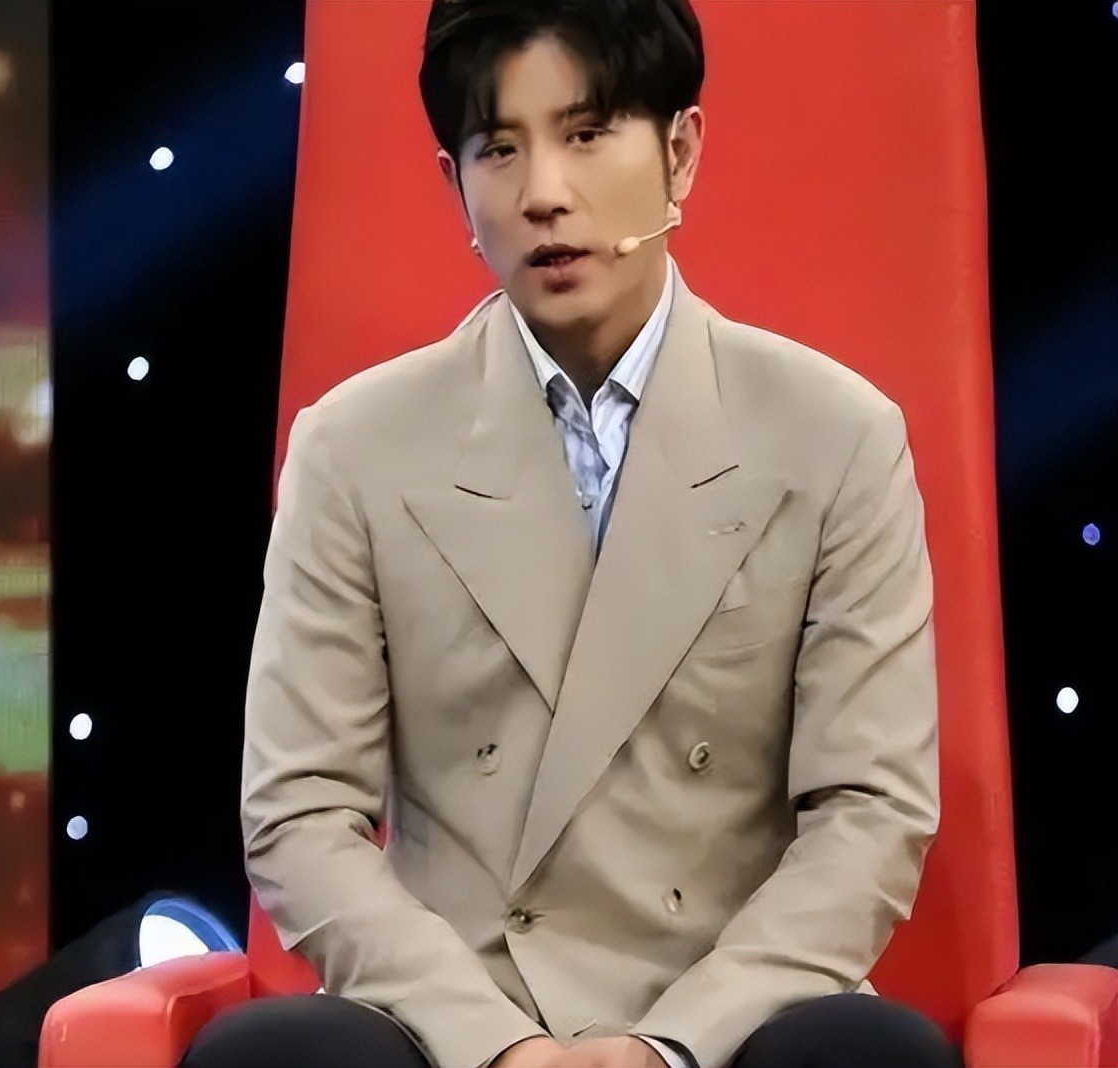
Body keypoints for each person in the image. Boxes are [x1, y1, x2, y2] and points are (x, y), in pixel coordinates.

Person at [182, 2, 961, 1066]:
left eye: (587, 133)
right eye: (498, 149)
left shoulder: (837, 437)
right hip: (455, 1022)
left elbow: (870, 814)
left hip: (728, 1022)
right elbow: (299, 814)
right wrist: (497, 1045)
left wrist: (668, 1045)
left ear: (679, 153)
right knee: (268, 1055)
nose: (543, 192)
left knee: (874, 1054)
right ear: (454, 184)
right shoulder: (352, 448)